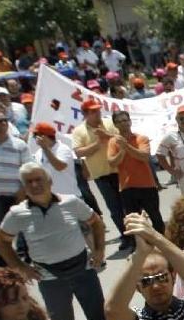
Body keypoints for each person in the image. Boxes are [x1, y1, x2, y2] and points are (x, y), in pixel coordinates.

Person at [0, 163, 108, 320]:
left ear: (49, 181)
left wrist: (99, 251)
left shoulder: (70, 202)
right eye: (28, 182)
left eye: (38, 179)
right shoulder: (17, 213)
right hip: (49, 277)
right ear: (24, 187)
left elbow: (96, 222)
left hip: (84, 270)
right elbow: (0, 240)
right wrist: (20, 267)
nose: (34, 185)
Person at [70, 99, 128, 252]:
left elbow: (121, 139)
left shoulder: (109, 123)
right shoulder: (79, 131)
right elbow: (78, 152)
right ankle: (125, 236)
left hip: (119, 170)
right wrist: (98, 143)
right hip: (101, 175)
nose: (97, 114)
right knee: (114, 208)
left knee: (128, 205)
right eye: (93, 111)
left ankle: (136, 235)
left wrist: (106, 136)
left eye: (98, 110)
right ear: (85, 114)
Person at [106, 111, 165, 234]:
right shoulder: (113, 142)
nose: (124, 123)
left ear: (130, 121)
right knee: (135, 222)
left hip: (147, 185)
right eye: (119, 121)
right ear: (115, 125)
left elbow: (144, 156)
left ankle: (162, 243)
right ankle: (141, 246)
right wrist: (122, 150)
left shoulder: (141, 138)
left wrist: (125, 146)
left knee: (156, 218)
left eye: (125, 120)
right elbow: (112, 162)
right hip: (127, 187)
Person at [30, 122, 81, 197]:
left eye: (36, 136)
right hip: (51, 198)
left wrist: (45, 148)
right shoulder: (38, 153)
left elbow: (59, 166)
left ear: (45, 136)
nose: (35, 139)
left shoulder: (63, 149)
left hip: (69, 196)